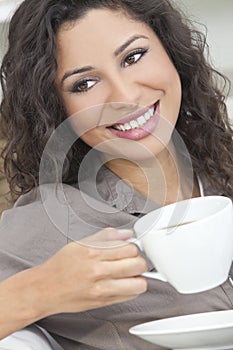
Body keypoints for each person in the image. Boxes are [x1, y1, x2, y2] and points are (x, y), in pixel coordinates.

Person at [0, 0, 233, 349]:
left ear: (171, 51)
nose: (124, 96)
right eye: (85, 83)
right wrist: (38, 292)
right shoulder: (52, 223)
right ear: (56, 107)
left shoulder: (221, 168)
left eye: (133, 57)